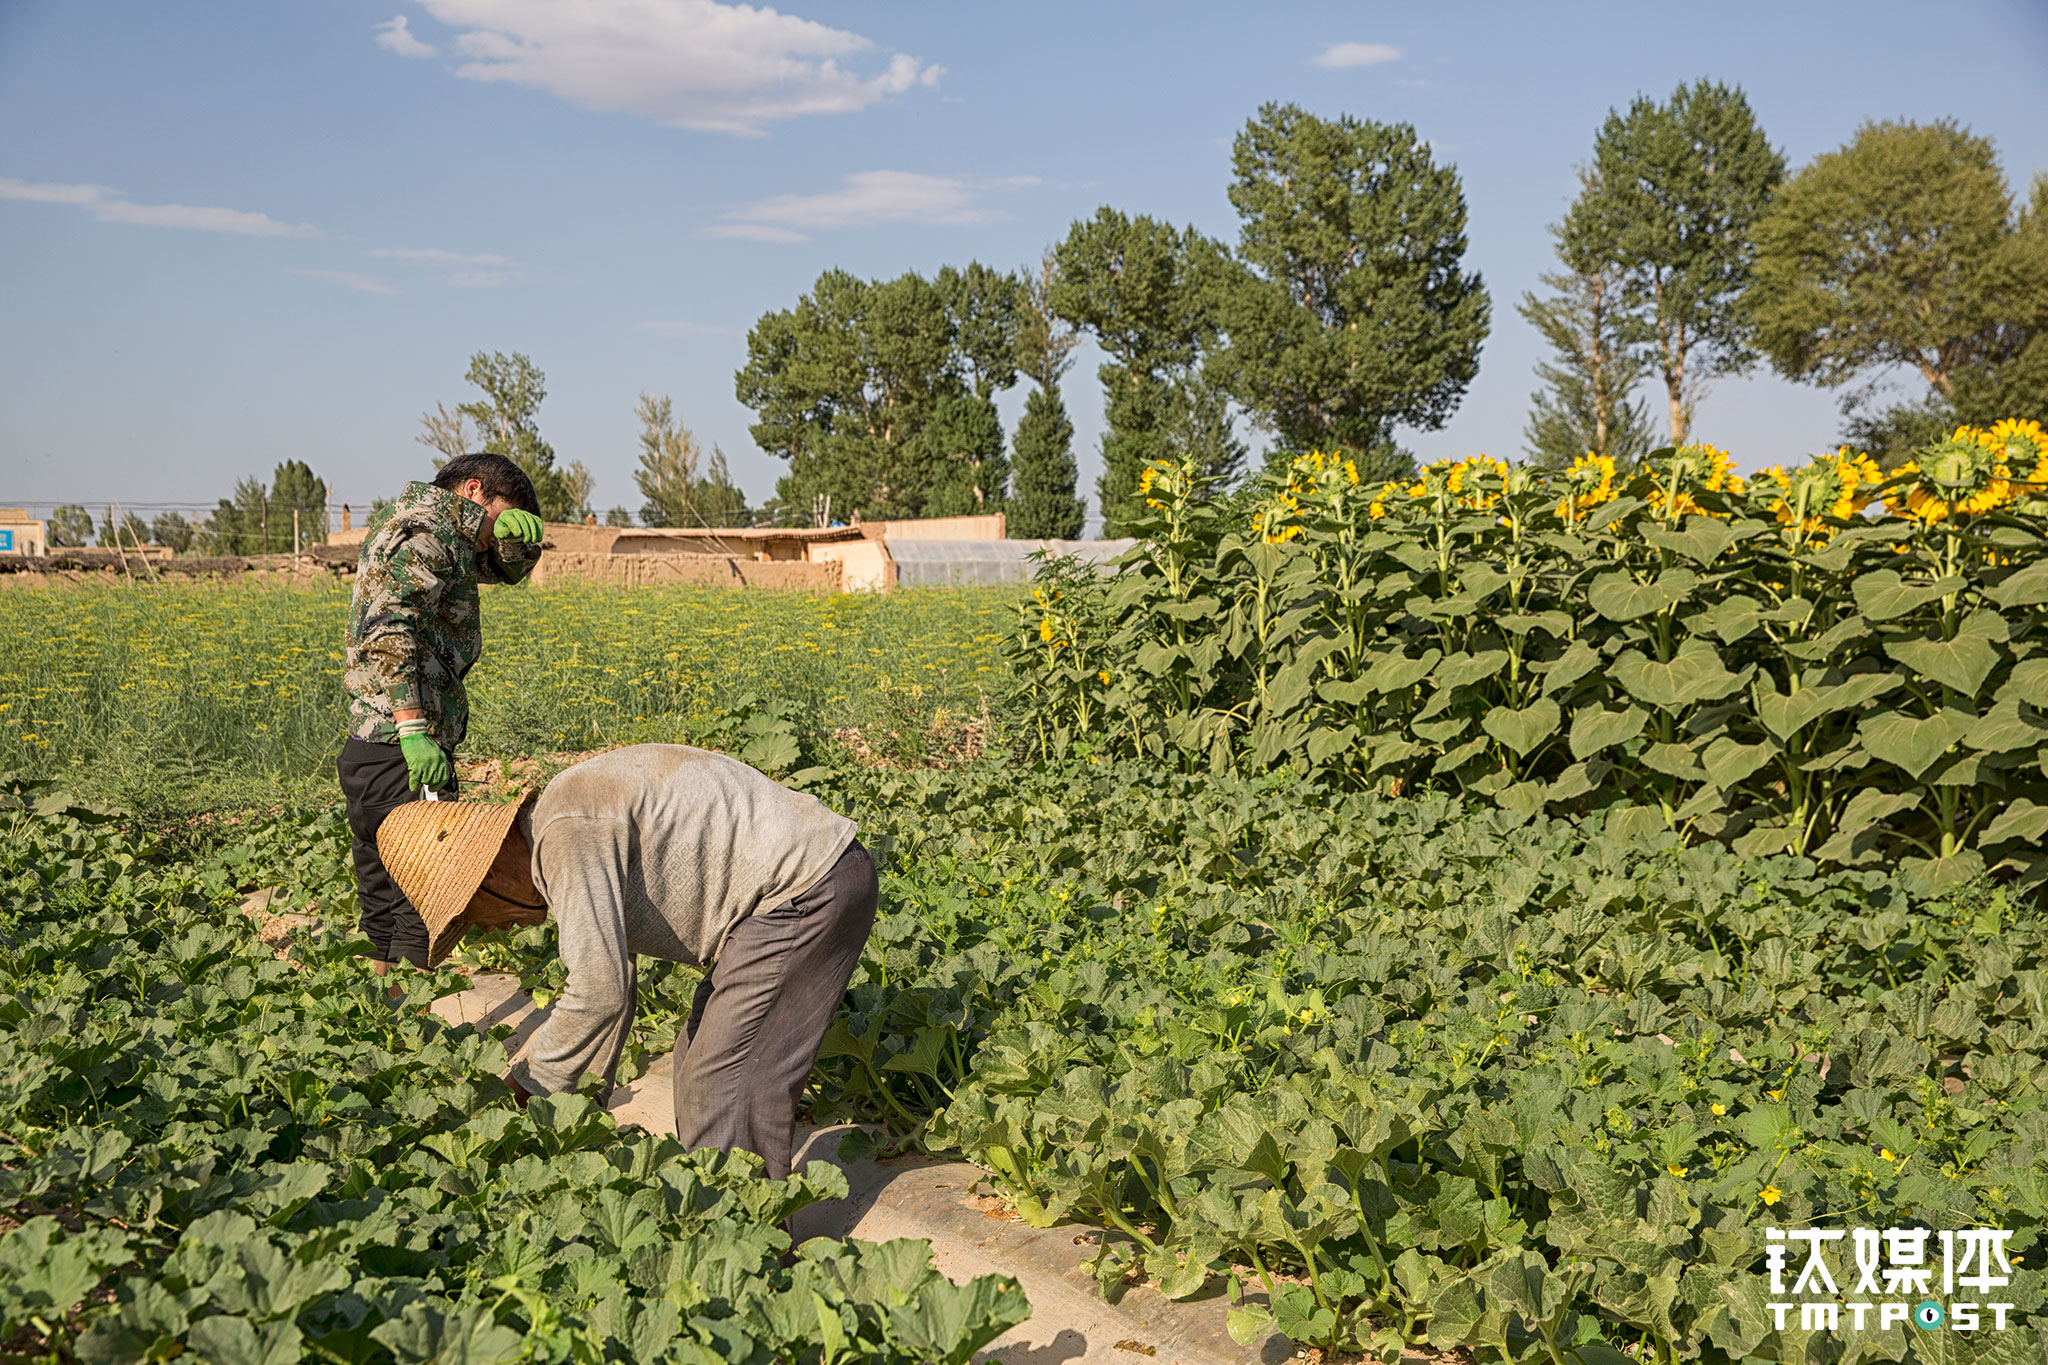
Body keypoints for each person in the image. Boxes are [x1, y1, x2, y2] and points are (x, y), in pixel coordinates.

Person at [374, 744, 879, 1181]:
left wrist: (525, 1088)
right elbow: (617, 980)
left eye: (471, 915)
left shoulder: (565, 834)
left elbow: (599, 991)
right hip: (800, 887)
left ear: (489, 872)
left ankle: (752, 1259)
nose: (487, 930)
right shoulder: (564, 824)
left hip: (805, 891)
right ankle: (728, 1224)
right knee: (696, 1061)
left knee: (723, 1083)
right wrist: (579, 1102)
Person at [338, 453, 546, 979]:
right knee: (421, 901)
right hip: (403, 748)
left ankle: (374, 1024)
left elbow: (498, 568)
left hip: (371, 747)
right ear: (473, 490)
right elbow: (391, 629)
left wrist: (517, 543)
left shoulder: (427, 527)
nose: (490, 538)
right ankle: (406, 1036)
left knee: (382, 899)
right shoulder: (428, 533)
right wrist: (413, 730)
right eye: (500, 517)